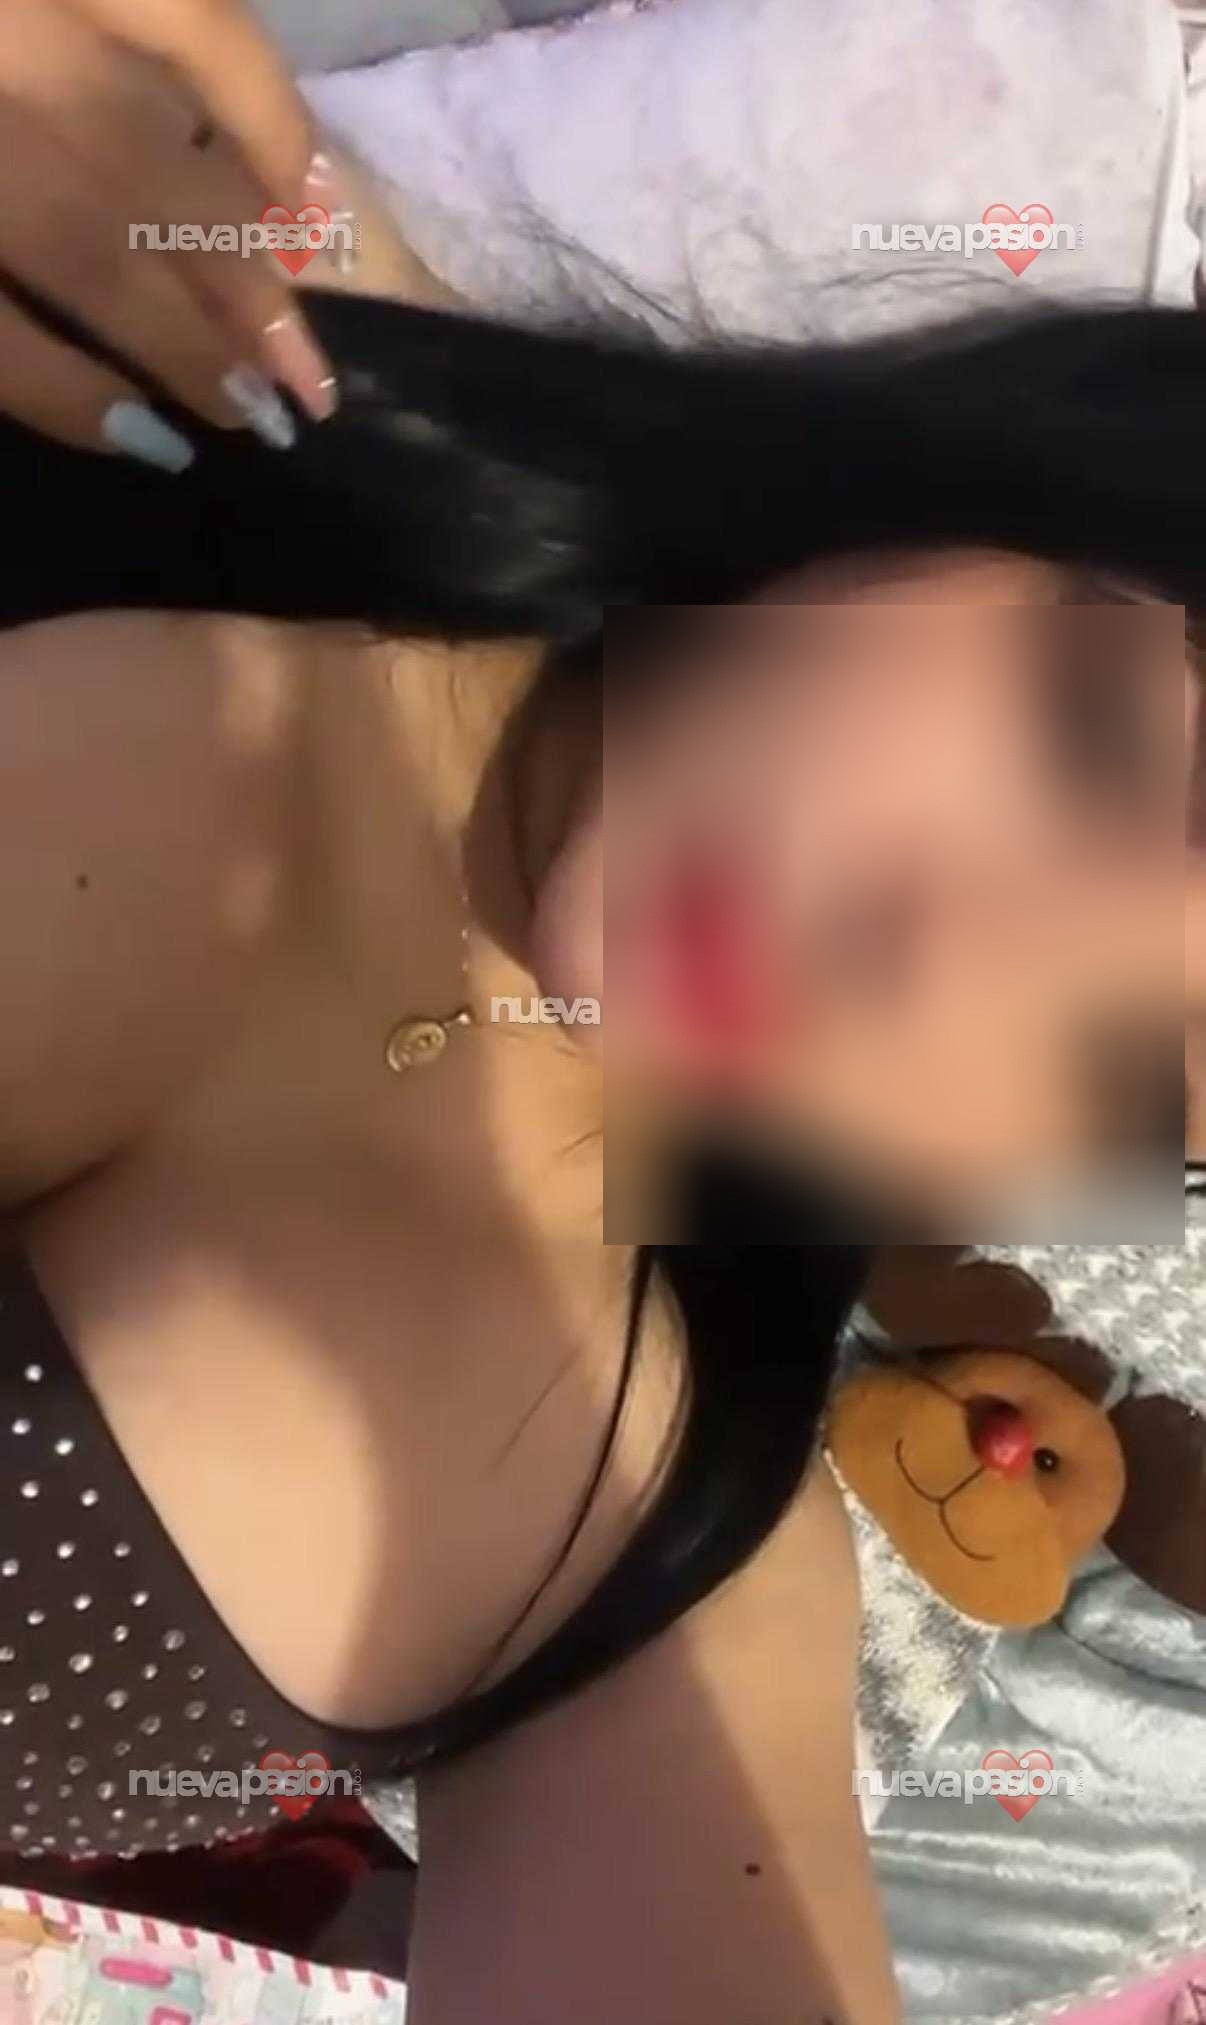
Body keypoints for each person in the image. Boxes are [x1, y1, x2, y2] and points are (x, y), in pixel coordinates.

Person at [0, 4, 1198, 2021]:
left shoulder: (658, 1553)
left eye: (1122, 1065)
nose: (930, 959)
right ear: (1006, 483)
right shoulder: (213, 302)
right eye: (1099, 751)